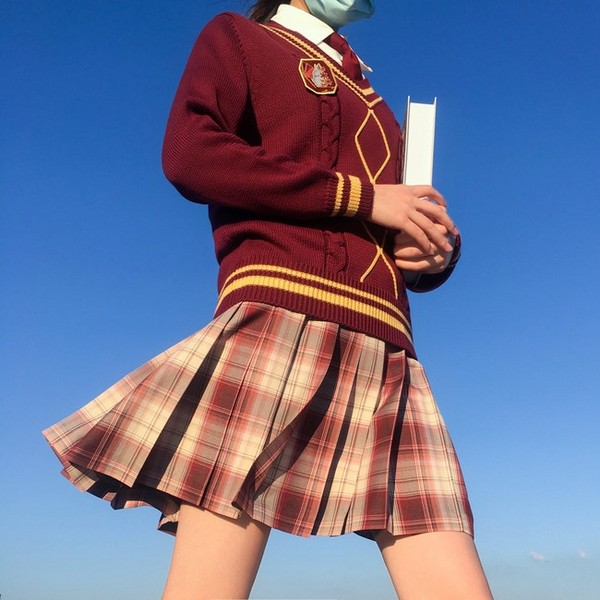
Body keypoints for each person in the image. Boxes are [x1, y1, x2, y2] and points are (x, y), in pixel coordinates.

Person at [44, 1, 494, 598]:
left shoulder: (379, 105)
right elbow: (191, 154)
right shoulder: (240, 37)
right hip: (280, 320)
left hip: (390, 353)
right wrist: (362, 198)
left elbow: (399, 230)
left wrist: (434, 256)